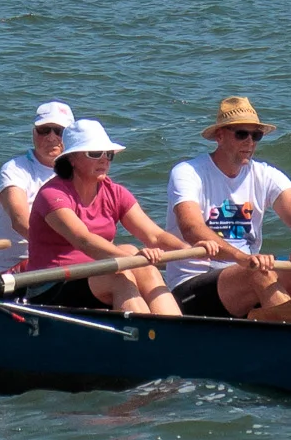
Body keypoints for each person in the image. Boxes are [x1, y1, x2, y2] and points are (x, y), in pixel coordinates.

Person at [164, 96, 291, 317]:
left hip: (245, 274)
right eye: (241, 134)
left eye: (256, 135)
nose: (250, 142)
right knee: (258, 273)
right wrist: (242, 258)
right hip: (191, 287)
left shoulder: (264, 174)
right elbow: (191, 228)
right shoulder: (188, 172)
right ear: (219, 136)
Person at [28, 119, 186, 317]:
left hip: (95, 275)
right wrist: (132, 260)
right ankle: (148, 336)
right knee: (122, 274)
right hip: (52, 285)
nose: (104, 159)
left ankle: (175, 332)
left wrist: (188, 250)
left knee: (145, 268)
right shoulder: (52, 194)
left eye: (108, 154)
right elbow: (83, 239)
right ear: (72, 159)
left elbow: (154, 235)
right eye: (94, 153)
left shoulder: (115, 192)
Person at [0, 101, 72, 267]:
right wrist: (72, 248)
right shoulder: (14, 169)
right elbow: (21, 221)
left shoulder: (82, 171)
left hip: (71, 258)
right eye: (44, 130)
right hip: (23, 265)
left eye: (59, 131)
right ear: (34, 133)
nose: (51, 137)